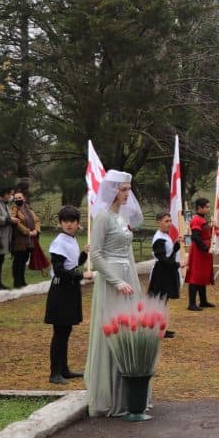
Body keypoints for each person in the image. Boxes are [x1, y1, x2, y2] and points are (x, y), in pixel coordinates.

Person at [85, 170, 146, 417]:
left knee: (128, 330)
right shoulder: (103, 218)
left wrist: (132, 280)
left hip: (127, 276)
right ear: (112, 190)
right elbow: (96, 254)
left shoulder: (121, 219)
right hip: (112, 281)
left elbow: (126, 251)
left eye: (129, 190)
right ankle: (109, 393)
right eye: (122, 190)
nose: (126, 194)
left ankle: (128, 392)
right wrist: (115, 281)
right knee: (112, 329)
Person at [45, 205, 93, 384]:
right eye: (65, 221)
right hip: (61, 290)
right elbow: (59, 271)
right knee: (59, 332)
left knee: (66, 331)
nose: (69, 224)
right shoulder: (59, 242)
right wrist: (82, 275)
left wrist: (84, 254)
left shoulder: (71, 239)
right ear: (60, 223)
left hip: (70, 289)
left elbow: (72, 265)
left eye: (72, 221)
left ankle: (64, 369)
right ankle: (54, 373)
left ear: (77, 223)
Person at [148, 212, 182, 315]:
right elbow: (162, 259)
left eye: (170, 221)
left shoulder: (164, 235)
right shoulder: (159, 238)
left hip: (166, 271)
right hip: (161, 272)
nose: (169, 223)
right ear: (159, 222)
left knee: (163, 300)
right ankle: (156, 328)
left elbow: (169, 253)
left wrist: (177, 244)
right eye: (166, 221)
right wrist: (178, 264)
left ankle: (161, 327)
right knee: (159, 300)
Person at [185, 198, 215, 310]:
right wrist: (205, 248)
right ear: (200, 207)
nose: (208, 208)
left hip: (204, 250)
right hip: (199, 251)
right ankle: (191, 304)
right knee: (195, 276)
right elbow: (196, 236)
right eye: (206, 207)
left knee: (203, 275)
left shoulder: (202, 219)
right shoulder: (196, 220)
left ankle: (203, 301)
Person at [9, 191, 41, 288]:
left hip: (29, 240)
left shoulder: (29, 209)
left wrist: (36, 230)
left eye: (20, 197)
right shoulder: (13, 209)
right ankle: (17, 282)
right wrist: (28, 232)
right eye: (16, 198)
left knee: (24, 260)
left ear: (24, 198)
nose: (18, 199)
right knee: (18, 261)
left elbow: (37, 220)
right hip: (19, 240)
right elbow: (16, 222)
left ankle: (22, 280)